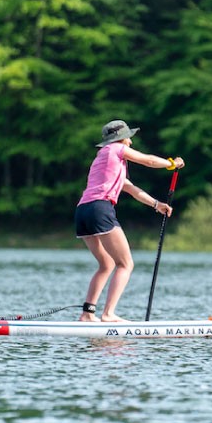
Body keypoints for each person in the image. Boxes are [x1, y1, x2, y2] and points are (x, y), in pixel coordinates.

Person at [75, 119, 185, 322]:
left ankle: (87, 314)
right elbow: (148, 161)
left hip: (82, 211)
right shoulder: (115, 149)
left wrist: (156, 204)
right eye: (128, 138)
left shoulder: (104, 160)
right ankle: (108, 314)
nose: (131, 143)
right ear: (119, 139)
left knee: (106, 264)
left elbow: (132, 190)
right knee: (125, 264)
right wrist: (171, 164)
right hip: (100, 209)